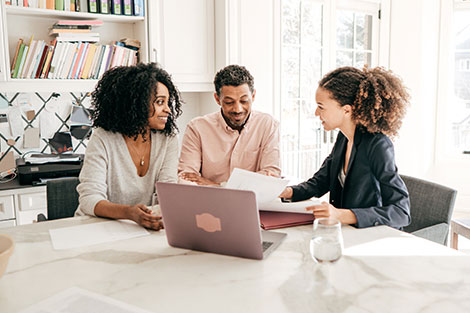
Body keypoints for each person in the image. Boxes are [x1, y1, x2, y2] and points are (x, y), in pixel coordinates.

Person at [279, 66, 411, 229]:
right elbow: (321, 182)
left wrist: (341, 215)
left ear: (346, 110)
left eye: (321, 107)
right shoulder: (344, 137)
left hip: (371, 236)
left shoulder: (378, 145)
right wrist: (287, 192)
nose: (315, 113)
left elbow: (401, 212)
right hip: (346, 233)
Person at [75, 63, 183, 231]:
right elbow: (89, 199)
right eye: (160, 102)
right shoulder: (103, 138)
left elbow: (168, 191)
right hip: (97, 228)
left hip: (141, 228)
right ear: (136, 103)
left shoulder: (168, 139)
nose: (168, 110)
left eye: (168, 102)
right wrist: (129, 213)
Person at [178, 64, 281, 186]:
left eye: (244, 101)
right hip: (208, 204)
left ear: (253, 96)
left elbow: (271, 177)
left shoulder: (268, 125)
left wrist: (216, 185)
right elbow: (186, 178)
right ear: (217, 99)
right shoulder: (197, 128)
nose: (237, 109)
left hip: (252, 204)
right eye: (229, 102)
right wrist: (251, 182)